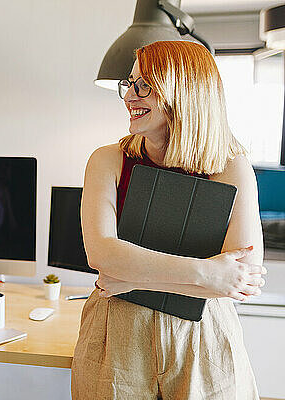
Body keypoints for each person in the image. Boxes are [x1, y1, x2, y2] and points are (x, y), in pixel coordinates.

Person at [71, 41, 266, 400]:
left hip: (203, 335)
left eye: (144, 84)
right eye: (129, 84)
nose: (130, 95)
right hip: (117, 333)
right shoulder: (108, 159)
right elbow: (102, 255)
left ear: (185, 91)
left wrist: (129, 279)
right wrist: (206, 273)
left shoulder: (231, 166)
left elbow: (242, 279)